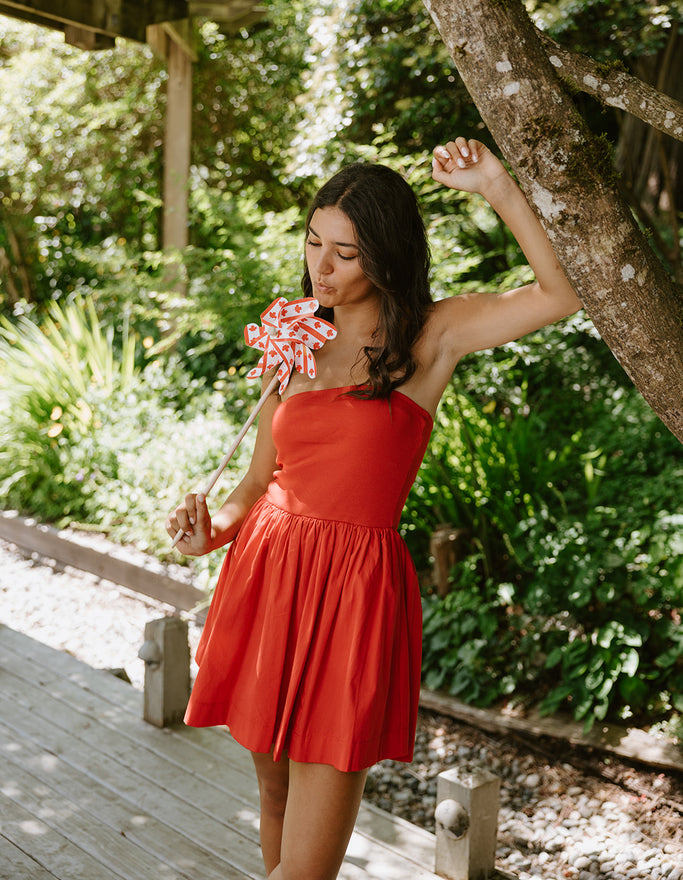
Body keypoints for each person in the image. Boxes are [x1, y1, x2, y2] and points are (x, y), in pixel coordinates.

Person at [166, 137, 582, 880]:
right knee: (271, 795)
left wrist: (495, 185)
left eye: (345, 253)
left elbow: (562, 295)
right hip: (266, 577)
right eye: (312, 243)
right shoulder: (294, 335)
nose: (320, 268)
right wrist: (207, 533)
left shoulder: (432, 336)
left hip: (353, 594)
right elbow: (258, 481)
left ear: (385, 256)